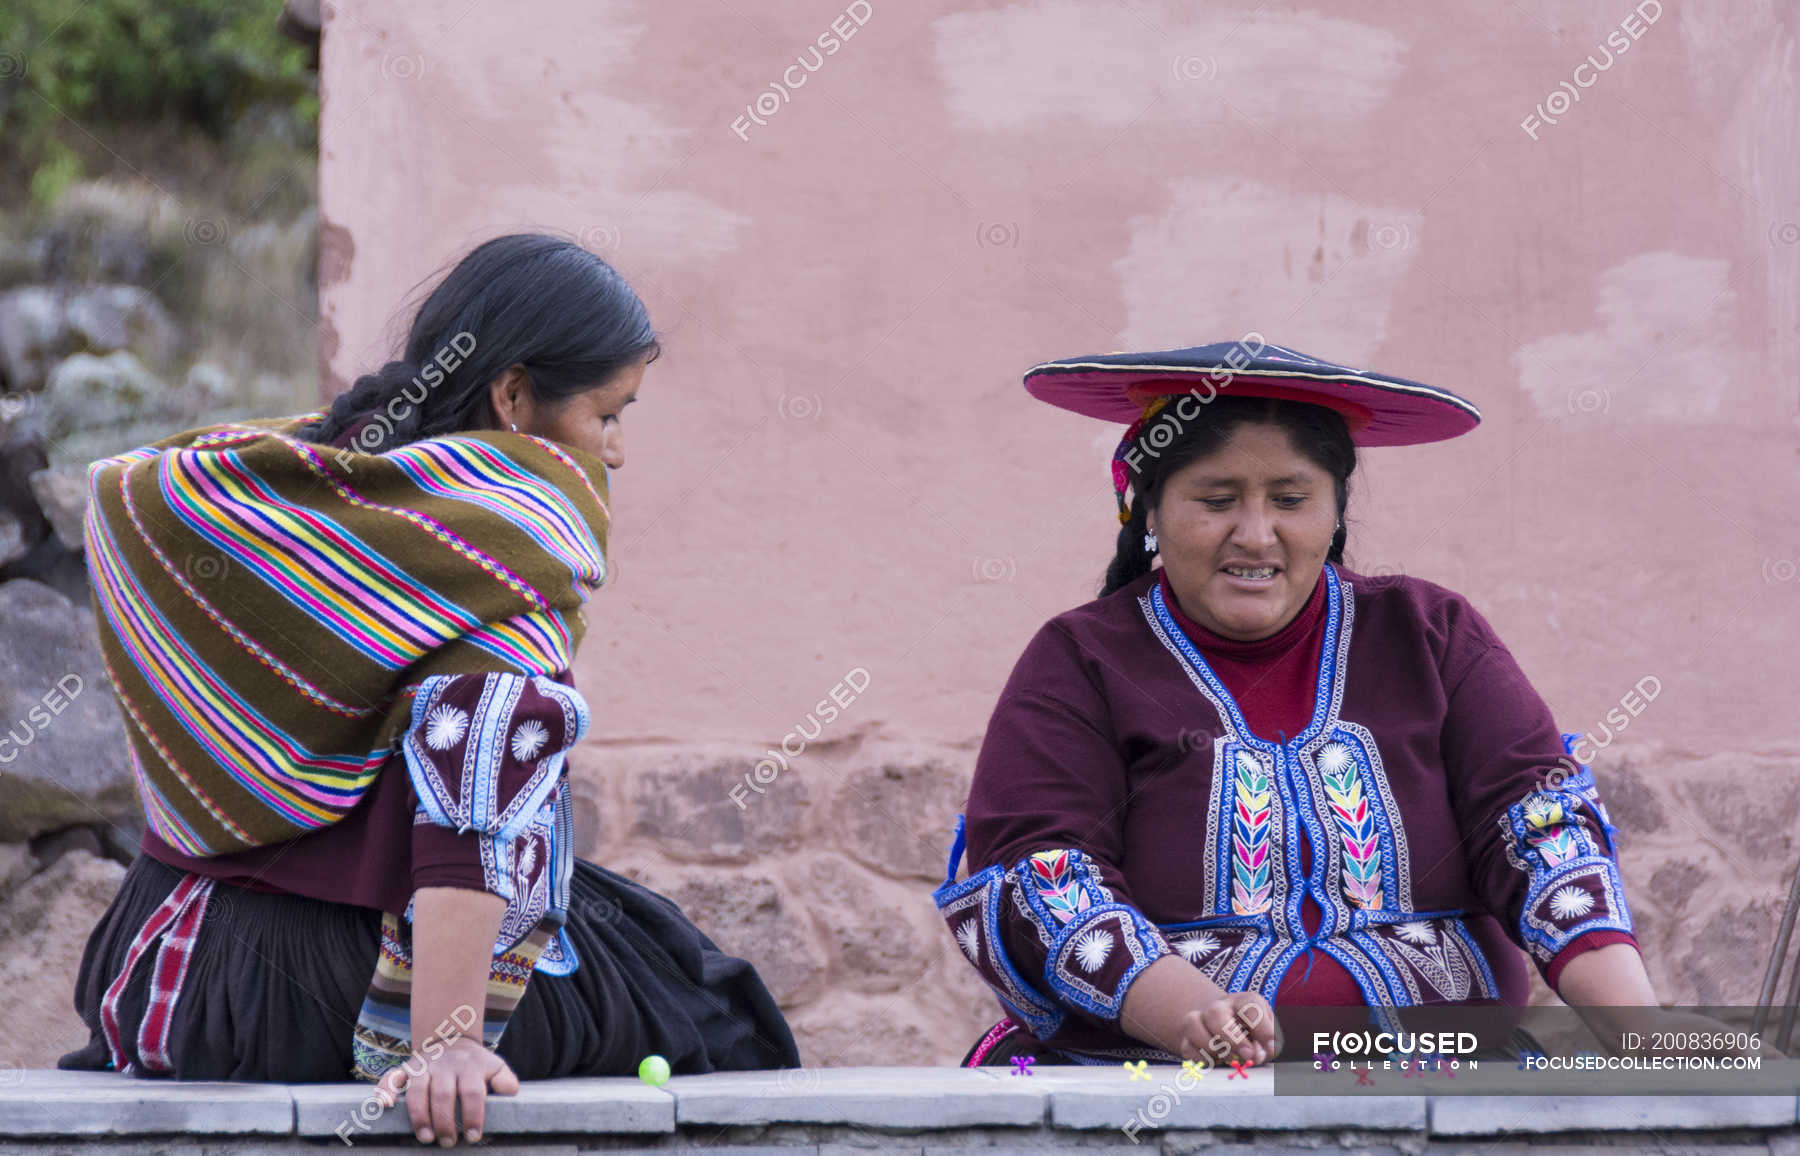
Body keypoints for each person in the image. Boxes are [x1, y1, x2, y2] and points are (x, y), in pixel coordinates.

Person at [62, 234, 799, 1145]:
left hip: (165, 975)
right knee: (713, 1007)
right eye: (610, 415)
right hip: (319, 996)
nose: (616, 453)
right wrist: (446, 1041)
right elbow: (477, 791)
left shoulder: (278, 498)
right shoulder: (506, 549)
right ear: (515, 395)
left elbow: (120, 495)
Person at [935, 339, 1661, 1069]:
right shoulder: (1082, 661)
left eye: (1291, 499)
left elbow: (1538, 827)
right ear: (1147, 509)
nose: (1256, 534)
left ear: (1335, 512)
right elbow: (1045, 874)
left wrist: (1645, 1034)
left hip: (1442, 1076)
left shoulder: (1431, 635)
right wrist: (1192, 1014)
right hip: (1153, 1084)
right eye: (1216, 500)